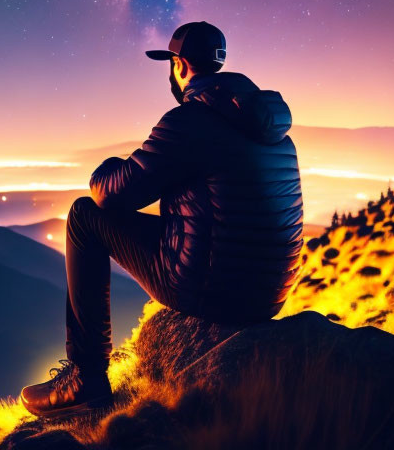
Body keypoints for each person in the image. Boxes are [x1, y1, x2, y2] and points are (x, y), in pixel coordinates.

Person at [19, 21, 304, 418]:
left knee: (84, 216)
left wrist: (109, 165)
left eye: (170, 63)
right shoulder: (271, 126)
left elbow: (115, 194)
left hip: (212, 287)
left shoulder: (188, 121)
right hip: (269, 292)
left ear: (182, 66)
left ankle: (86, 378)